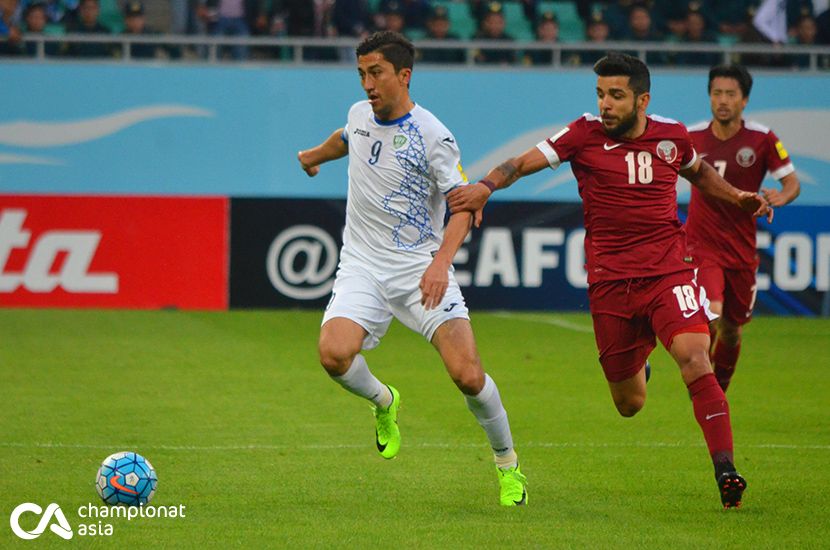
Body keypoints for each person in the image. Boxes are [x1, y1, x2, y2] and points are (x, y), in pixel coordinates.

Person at [447, 52, 773, 509]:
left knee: (697, 358)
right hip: (611, 282)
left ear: (642, 100)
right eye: (601, 94)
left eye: (616, 96)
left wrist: (738, 197)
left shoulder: (672, 135)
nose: (606, 104)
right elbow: (521, 163)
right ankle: (641, 363)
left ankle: (726, 471)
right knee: (629, 403)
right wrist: (486, 185)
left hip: (668, 270)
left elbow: (697, 171)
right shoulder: (582, 134)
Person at [296, 31, 528, 507]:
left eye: (376, 72)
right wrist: (315, 156)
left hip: (419, 269)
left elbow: (462, 205)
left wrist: (441, 263)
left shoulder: (433, 136)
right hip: (361, 265)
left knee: (467, 375)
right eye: (361, 73)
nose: (367, 84)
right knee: (333, 355)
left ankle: (509, 467)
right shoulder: (359, 114)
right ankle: (385, 401)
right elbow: (346, 138)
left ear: (404, 75)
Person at [685, 65, 799, 393]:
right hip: (701, 246)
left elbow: (791, 183)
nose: (722, 100)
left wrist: (780, 197)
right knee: (712, 316)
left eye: (730, 94)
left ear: (744, 100)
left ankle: (718, 392)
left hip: (741, 250)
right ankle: (703, 390)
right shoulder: (691, 137)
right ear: (709, 96)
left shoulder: (762, 139)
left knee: (733, 330)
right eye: (717, 93)